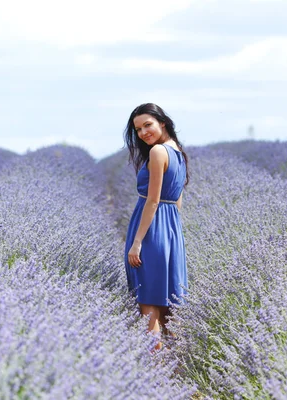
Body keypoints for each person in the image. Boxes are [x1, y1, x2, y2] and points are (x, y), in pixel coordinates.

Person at [123, 103, 189, 352]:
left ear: (162, 122)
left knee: (148, 302)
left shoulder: (158, 152)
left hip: (151, 230)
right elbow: (177, 200)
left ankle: (155, 373)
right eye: (138, 129)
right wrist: (172, 236)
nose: (142, 133)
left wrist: (138, 241)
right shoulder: (178, 153)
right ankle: (177, 371)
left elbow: (152, 200)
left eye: (147, 125)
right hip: (171, 230)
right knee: (168, 306)